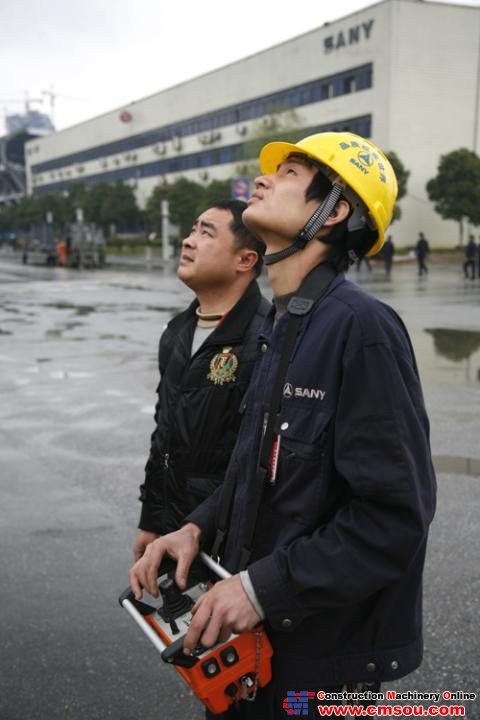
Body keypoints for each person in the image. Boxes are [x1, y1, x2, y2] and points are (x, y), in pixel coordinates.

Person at [129, 133, 437, 719]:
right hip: (257, 652)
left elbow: (395, 517)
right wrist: (195, 527)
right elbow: (256, 465)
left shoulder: (361, 329)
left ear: (334, 212)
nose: (265, 178)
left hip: (322, 670)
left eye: (292, 172)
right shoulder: (282, 323)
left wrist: (258, 589)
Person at [133, 199, 269, 565]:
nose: (188, 241)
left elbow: (259, 462)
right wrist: (152, 519)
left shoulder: (266, 338)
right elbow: (164, 433)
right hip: (175, 534)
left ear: (245, 260)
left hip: (234, 543)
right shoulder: (177, 332)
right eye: (192, 230)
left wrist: (198, 526)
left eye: (206, 233)